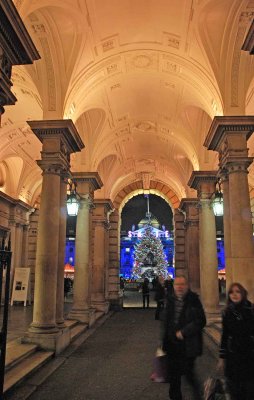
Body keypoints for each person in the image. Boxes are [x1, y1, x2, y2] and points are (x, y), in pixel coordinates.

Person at [162, 275, 206, 400]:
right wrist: (163, 342)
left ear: (187, 286)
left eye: (182, 284)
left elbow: (201, 320)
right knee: (174, 379)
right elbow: (166, 323)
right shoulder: (170, 300)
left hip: (188, 346)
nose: (179, 287)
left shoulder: (193, 300)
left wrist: (184, 332)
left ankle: (198, 396)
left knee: (189, 376)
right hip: (172, 345)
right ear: (174, 286)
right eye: (177, 284)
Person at [217, 282, 254, 400]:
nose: (235, 294)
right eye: (232, 292)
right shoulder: (227, 312)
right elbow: (225, 335)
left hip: (249, 354)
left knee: (249, 388)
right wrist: (222, 358)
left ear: (243, 293)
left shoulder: (251, 310)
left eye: (238, 291)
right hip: (233, 355)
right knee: (234, 388)